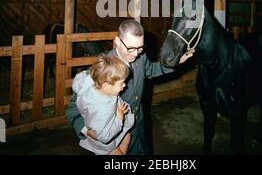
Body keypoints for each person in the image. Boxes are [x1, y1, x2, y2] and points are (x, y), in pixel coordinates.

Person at [66, 20, 194, 155]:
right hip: (116, 137)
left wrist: (175, 63)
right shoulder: (104, 69)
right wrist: (87, 131)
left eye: (140, 48)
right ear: (118, 41)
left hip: (139, 126)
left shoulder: (141, 57)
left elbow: (151, 70)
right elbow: (73, 108)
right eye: (131, 48)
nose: (135, 54)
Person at [72, 54, 134, 155]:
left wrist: (93, 73)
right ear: (106, 86)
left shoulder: (90, 82)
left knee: (127, 137)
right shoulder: (103, 109)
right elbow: (104, 137)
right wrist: (119, 118)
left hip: (107, 127)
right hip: (105, 144)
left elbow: (79, 79)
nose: (124, 85)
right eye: (121, 83)